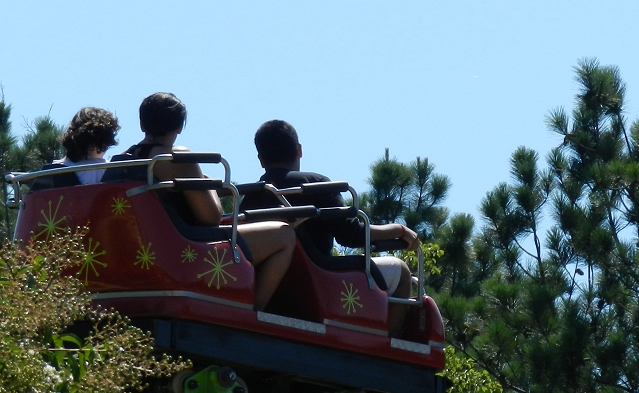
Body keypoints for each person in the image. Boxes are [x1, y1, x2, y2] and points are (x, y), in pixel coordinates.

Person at [114, 93, 296, 312]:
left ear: (142, 123)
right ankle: (254, 311)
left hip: (138, 251)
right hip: (185, 249)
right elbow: (211, 216)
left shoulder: (118, 161)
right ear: (180, 127)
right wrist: (205, 184)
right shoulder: (176, 159)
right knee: (285, 234)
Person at [253, 119, 419, 300]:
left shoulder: (249, 196)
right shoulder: (315, 185)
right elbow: (352, 235)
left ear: (261, 159)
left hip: (271, 282)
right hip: (319, 278)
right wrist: (398, 230)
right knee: (401, 271)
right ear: (299, 150)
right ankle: (389, 329)